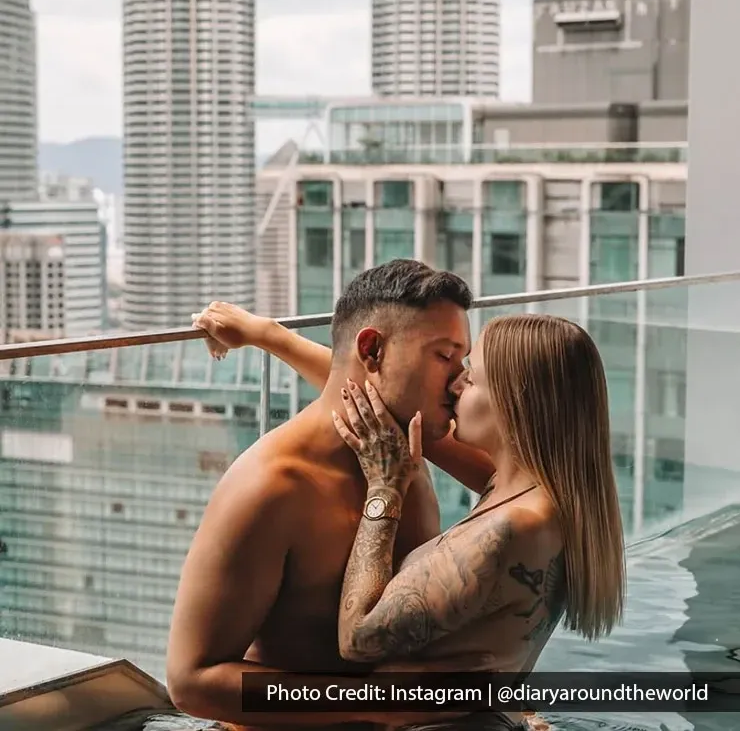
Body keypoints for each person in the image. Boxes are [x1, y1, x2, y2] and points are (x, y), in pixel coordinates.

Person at [192, 294, 625, 731]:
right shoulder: (538, 490)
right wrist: (268, 335)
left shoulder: (511, 528)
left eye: (469, 378)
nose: (455, 386)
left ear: (515, 405)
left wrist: (384, 490)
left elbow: (357, 637)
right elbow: (369, 400)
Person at [167, 259, 497, 730]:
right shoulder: (271, 486)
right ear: (373, 350)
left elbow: (516, 479)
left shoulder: (405, 444)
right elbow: (191, 682)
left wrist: (270, 335)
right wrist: (382, 705)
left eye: (462, 360)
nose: (460, 380)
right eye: (444, 356)